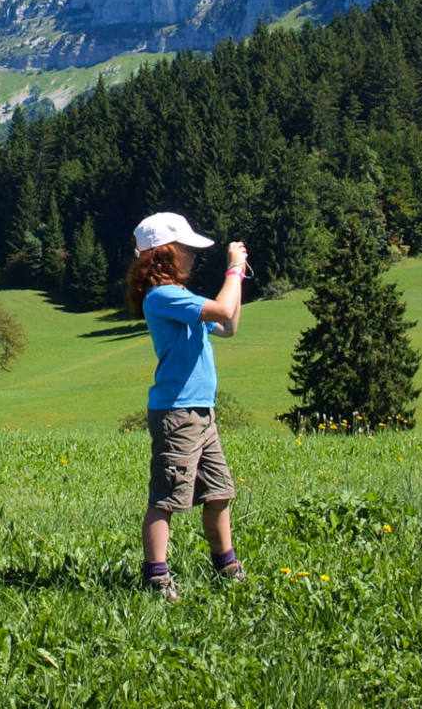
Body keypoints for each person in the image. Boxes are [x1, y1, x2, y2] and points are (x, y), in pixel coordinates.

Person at [125, 211, 248, 601]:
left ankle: (226, 564)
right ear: (166, 253)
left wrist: (237, 277)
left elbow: (228, 326)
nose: (193, 257)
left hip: (200, 412)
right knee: (166, 497)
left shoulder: (182, 299)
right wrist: (233, 269)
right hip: (177, 414)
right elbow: (224, 312)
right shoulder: (162, 297)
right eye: (187, 250)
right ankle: (156, 577)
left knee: (219, 492)